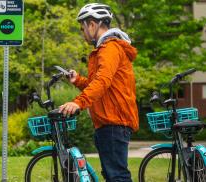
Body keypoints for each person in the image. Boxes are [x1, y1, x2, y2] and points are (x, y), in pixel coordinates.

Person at [58, 3, 139, 182]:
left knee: (117, 176)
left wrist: (77, 102)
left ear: (92, 25)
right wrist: (78, 80)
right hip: (109, 122)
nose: (82, 33)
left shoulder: (109, 49)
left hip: (113, 122)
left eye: (82, 28)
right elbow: (100, 84)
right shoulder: (107, 49)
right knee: (113, 175)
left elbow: (102, 82)